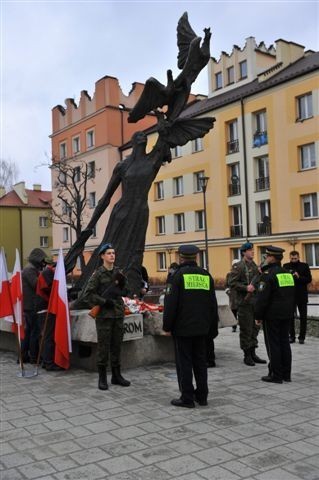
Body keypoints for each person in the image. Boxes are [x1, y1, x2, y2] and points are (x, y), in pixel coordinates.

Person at [163, 244, 219, 408]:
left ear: (180, 257)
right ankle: (202, 396)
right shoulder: (205, 275)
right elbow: (212, 304)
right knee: (200, 362)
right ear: (196, 257)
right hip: (202, 328)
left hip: (183, 328)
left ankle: (187, 397)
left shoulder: (176, 276)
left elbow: (170, 304)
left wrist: (167, 326)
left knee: (184, 363)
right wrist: (212, 328)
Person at [83, 243, 130, 390]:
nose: (112, 255)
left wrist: (123, 288)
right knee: (103, 347)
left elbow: (126, 290)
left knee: (116, 346)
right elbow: (88, 295)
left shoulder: (119, 273)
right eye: (109, 253)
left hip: (118, 315)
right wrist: (104, 301)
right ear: (102, 256)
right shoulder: (98, 274)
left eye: (113, 253)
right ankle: (102, 378)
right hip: (104, 316)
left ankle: (116, 375)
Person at [255, 246, 295, 383]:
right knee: (284, 342)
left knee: (273, 344)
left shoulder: (267, 276)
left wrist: (258, 316)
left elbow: (262, 299)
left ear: (271, 258)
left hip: (272, 315)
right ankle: (286, 374)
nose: (265, 259)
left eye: (266, 256)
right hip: (287, 314)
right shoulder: (287, 274)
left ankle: (276, 375)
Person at [229, 242, 266, 366]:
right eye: (250, 250)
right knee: (246, 329)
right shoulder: (238, 266)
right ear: (244, 252)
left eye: (253, 250)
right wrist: (246, 288)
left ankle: (253, 352)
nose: (253, 252)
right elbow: (232, 283)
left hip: (255, 302)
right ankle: (247, 355)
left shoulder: (255, 266)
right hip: (244, 303)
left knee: (255, 328)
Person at [21, 248, 47, 363]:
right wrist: (45, 273)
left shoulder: (30, 269)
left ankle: (24, 356)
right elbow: (37, 284)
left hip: (30, 305)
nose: (43, 262)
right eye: (42, 260)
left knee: (29, 332)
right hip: (32, 306)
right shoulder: (29, 270)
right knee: (34, 332)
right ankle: (33, 357)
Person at [35, 261, 63, 371]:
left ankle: (44, 360)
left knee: (43, 336)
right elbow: (48, 288)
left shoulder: (47, 272)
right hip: (45, 308)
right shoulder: (48, 273)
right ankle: (48, 363)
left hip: (41, 308)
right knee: (48, 337)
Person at [283, 251, 312, 344]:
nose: (294, 260)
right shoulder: (286, 266)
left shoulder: (304, 266)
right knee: (290, 317)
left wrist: (299, 277)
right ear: (289, 257)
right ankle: (292, 336)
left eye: (295, 258)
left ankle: (302, 337)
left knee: (303, 317)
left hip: (302, 296)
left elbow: (309, 279)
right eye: (292, 258)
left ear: (299, 257)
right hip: (290, 296)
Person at [225, 259, 240, 332]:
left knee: (241, 312)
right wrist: (228, 292)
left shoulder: (241, 274)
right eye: (234, 265)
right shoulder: (229, 274)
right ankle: (234, 326)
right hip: (232, 297)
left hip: (240, 296)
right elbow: (226, 285)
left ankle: (241, 325)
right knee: (233, 311)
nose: (235, 266)